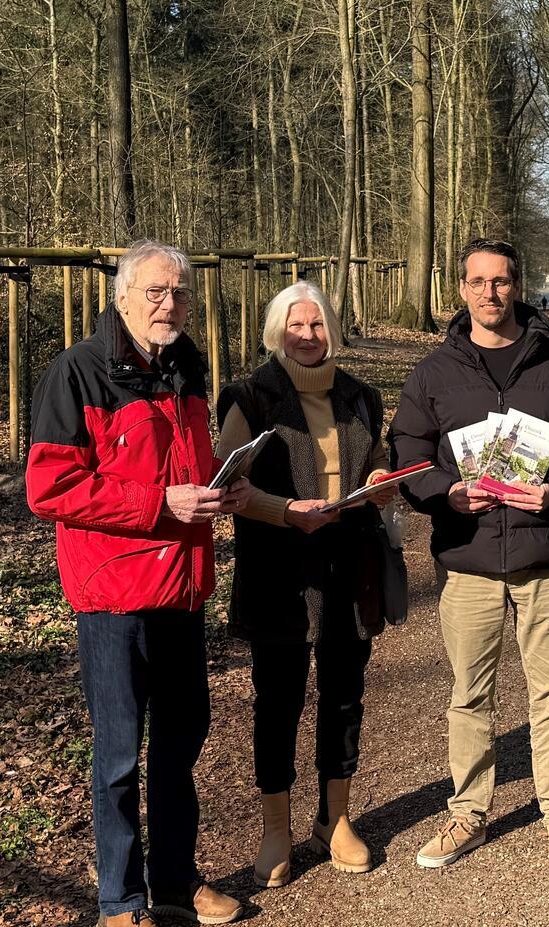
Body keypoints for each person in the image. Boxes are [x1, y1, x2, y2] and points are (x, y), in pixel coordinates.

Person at [27, 240, 248, 927]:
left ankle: (176, 878)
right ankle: (119, 904)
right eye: (155, 292)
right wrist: (161, 503)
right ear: (122, 295)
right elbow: (50, 489)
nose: (169, 305)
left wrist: (218, 486)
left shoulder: (186, 364)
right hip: (114, 597)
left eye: (180, 294)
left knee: (181, 743)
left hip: (182, 589)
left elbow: (186, 465)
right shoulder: (78, 371)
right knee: (119, 754)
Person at [388, 237, 549, 873]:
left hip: (544, 555)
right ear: (460, 289)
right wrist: (444, 492)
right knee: (469, 693)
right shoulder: (434, 373)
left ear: (516, 286)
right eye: (478, 281)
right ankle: (468, 811)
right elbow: (407, 448)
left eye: (501, 281)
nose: (490, 292)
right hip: (468, 558)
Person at [215, 281, 397, 887]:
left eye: (318, 325)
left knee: (345, 693)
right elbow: (227, 486)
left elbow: (377, 454)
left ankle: (334, 819)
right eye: (296, 326)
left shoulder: (361, 396)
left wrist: (379, 475)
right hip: (279, 570)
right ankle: (275, 827)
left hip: (351, 563)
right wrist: (287, 512)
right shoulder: (249, 398)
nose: (308, 335)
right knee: (279, 700)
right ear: (276, 332)